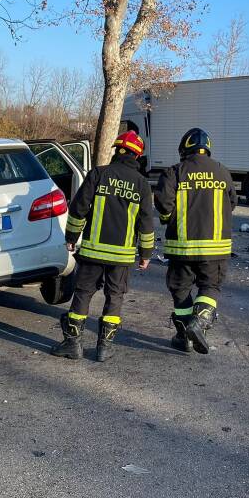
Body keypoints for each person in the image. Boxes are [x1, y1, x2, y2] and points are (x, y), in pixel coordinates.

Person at [51, 131, 155, 362]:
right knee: (115, 297)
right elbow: (146, 223)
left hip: (93, 253)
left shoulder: (99, 174)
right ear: (137, 157)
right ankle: (104, 348)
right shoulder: (141, 184)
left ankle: (73, 344)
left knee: (83, 294)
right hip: (122, 256)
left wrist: (71, 236)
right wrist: (145, 254)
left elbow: (79, 208)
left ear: (117, 150)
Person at [154, 128, 236, 355]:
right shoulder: (222, 171)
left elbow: (163, 203)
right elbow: (232, 202)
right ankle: (199, 323)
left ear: (184, 149)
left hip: (182, 248)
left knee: (181, 290)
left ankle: (184, 337)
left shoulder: (175, 171)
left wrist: (167, 219)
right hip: (216, 249)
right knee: (210, 287)